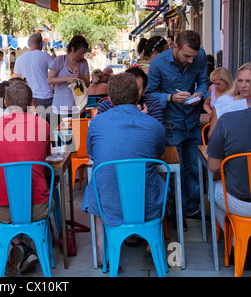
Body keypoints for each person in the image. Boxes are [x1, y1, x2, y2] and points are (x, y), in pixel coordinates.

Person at [81, 72, 166, 264]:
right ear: (137, 95)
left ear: (110, 98)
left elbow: (93, 155)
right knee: (159, 179)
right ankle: (153, 244)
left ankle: (103, 252)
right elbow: (159, 156)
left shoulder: (96, 123)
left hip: (108, 205)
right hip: (147, 204)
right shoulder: (155, 125)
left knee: (96, 183)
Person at [0, 81, 52, 276]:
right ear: (31, 103)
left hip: (1, 210)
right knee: (51, 195)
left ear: (5, 103)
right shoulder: (43, 125)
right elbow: (44, 157)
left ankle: (17, 245)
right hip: (37, 207)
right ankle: (28, 245)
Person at [146, 30, 210, 223]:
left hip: (194, 121)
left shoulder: (199, 57)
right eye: (186, 56)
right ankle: (175, 213)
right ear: (174, 47)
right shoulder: (158, 64)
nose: (191, 61)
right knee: (175, 170)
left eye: (194, 56)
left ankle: (191, 208)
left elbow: (204, 82)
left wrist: (199, 93)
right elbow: (149, 94)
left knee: (194, 167)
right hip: (171, 123)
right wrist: (171, 97)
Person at [48, 35, 90, 127]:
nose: (82, 56)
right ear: (72, 49)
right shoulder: (60, 60)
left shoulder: (84, 63)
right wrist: (67, 79)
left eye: (84, 53)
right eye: (80, 53)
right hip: (60, 107)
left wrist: (81, 76)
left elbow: (87, 84)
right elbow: (50, 80)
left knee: (78, 138)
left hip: (79, 106)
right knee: (61, 137)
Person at [97, 67, 164, 125]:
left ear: (144, 90)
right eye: (127, 87)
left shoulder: (153, 105)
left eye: (137, 89)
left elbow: (157, 135)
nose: (132, 92)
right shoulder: (106, 105)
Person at [208, 63, 251, 139]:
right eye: (240, 80)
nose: (243, 85)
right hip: (229, 148)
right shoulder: (223, 102)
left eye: (248, 81)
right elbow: (212, 134)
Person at [13, 32, 54, 112]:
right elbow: (54, 73)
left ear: (29, 44)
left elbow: (19, 80)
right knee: (48, 122)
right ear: (41, 43)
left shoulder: (19, 59)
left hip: (27, 96)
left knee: (31, 123)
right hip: (45, 96)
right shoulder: (45, 56)